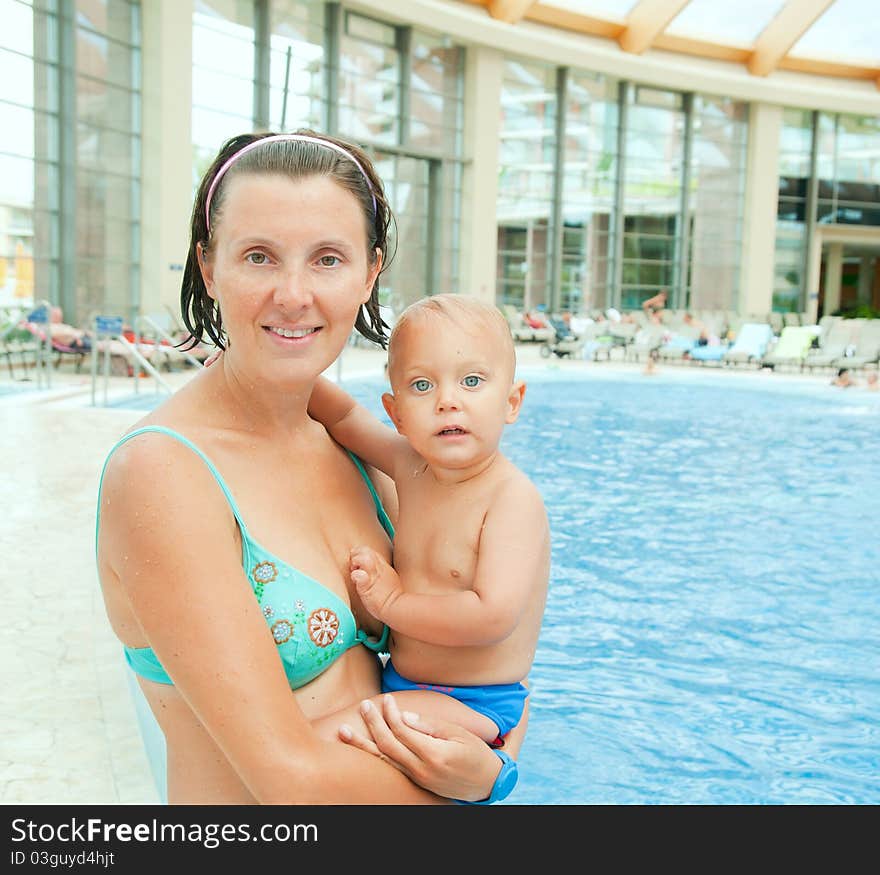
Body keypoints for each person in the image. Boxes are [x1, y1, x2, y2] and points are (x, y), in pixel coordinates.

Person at [95, 130, 527, 805]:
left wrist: (495, 766)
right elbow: (289, 780)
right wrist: (480, 781)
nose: (293, 294)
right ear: (209, 267)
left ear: (369, 273)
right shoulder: (164, 474)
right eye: (259, 256)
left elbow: (496, 673)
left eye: (327, 259)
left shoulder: (366, 456)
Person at [307, 294, 550, 747]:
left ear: (512, 402)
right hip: (403, 681)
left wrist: (392, 604)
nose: (447, 402)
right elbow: (343, 417)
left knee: (327, 737)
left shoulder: (511, 501)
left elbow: (491, 616)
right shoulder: (409, 466)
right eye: (422, 386)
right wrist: (266, 373)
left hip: (475, 701)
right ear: (396, 413)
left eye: (472, 381)